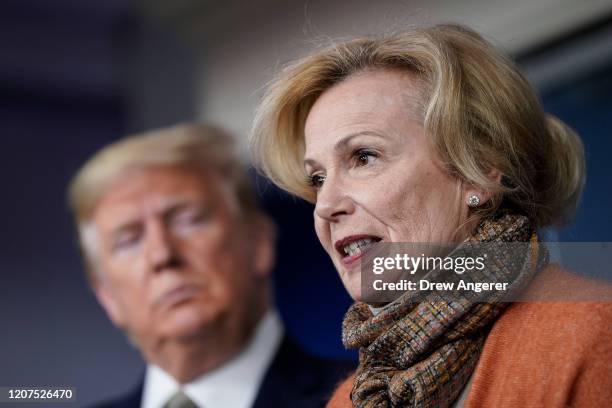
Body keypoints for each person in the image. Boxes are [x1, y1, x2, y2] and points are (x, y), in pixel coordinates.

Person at [250, 24, 612, 407]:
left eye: (363, 157)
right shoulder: (350, 400)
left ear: (480, 169)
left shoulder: (592, 335)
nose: (325, 206)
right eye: (318, 178)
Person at [68, 123, 354, 408]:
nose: (162, 255)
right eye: (129, 240)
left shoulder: (368, 398)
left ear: (258, 242)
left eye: (187, 220)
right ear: (106, 295)